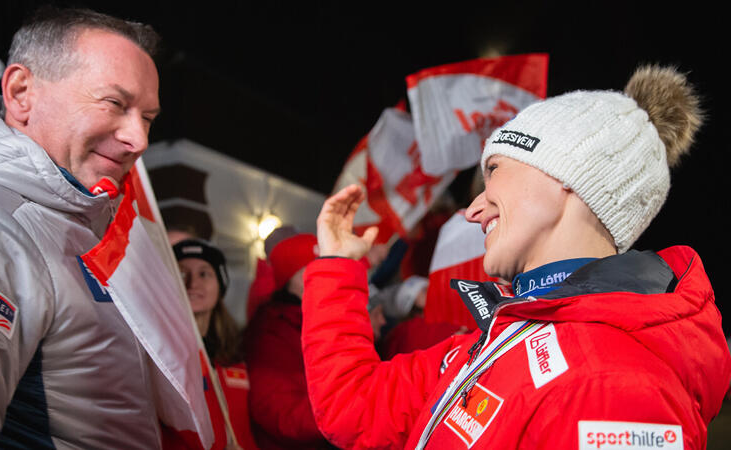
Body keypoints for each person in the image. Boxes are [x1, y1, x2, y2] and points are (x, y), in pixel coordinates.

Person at [301, 65, 731, 449]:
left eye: (495, 171)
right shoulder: (506, 335)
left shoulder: (616, 388)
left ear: (566, 177)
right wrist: (338, 266)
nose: (472, 209)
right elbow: (356, 405)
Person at [0, 7, 164, 448]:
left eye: (148, 117)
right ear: (21, 92)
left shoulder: (77, 220)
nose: (140, 139)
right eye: (115, 103)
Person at [244, 233, 334, 449]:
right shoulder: (272, 331)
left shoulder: (320, 321)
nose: (325, 277)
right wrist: (347, 409)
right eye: (312, 270)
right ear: (290, 278)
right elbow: (283, 415)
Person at [172, 238, 258, 450]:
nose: (192, 284)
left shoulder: (236, 349)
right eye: (182, 273)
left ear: (220, 285)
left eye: (204, 274)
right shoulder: (163, 356)